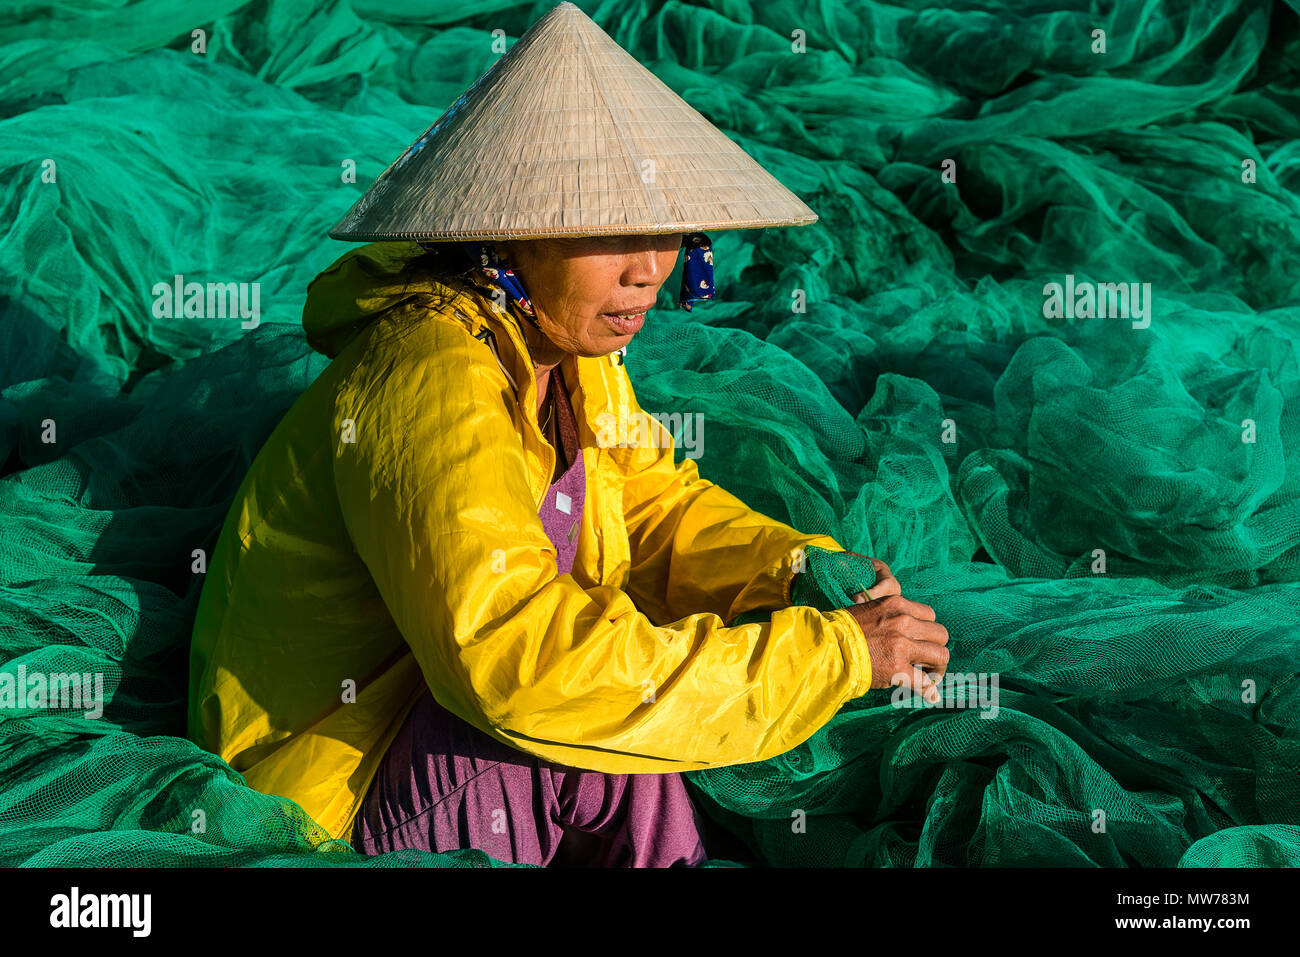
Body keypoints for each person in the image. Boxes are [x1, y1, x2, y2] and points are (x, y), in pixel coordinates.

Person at [187, 1, 949, 867]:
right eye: (608, 229)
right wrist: (831, 656)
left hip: (434, 727)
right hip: (332, 789)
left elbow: (654, 505)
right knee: (588, 726)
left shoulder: (565, 349)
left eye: (664, 228)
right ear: (507, 235)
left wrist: (795, 569)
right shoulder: (429, 374)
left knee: (629, 703)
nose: (650, 268)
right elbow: (514, 660)